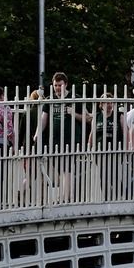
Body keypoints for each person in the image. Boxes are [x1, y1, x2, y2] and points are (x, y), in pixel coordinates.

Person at [34, 72, 91, 202]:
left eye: (60, 85)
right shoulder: (50, 100)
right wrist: (38, 133)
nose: (57, 88)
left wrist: (74, 114)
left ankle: (66, 198)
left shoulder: (74, 98)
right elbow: (44, 119)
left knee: (67, 169)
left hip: (71, 139)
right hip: (54, 141)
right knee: (61, 170)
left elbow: (88, 118)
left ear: (66, 84)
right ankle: (65, 197)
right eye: (55, 85)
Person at [89, 93, 126, 200]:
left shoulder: (119, 115)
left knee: (114, 175)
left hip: (115, 150)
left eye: (111, 102)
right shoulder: (97, 117)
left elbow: (125, 131)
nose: (109, 105)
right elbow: (92, 133)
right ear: (101, 104)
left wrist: (128, 147)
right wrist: (89, 147)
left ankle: (118, 197)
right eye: (106, 102)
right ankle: (106, 199)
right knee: (103, 177)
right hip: (100, 152)